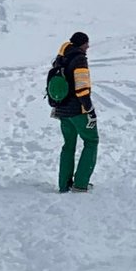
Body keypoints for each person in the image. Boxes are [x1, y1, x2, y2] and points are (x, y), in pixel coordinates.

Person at [52, 31, 97, 192]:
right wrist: (90, 110)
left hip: (62, 109)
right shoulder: (79, 59)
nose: (88, 46)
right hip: (78, 111)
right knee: (91, 141)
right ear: (81, 44)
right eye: (86, 43)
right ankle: (80, 184)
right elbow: (82, 90)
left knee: (68, 145)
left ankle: (64, 184)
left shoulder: (61, 57)